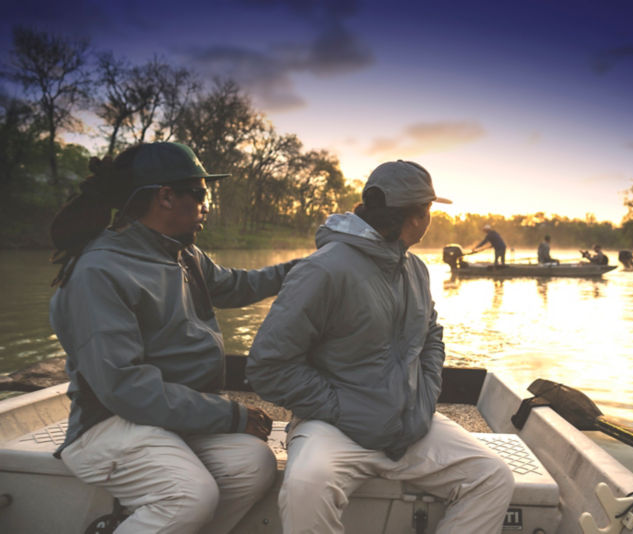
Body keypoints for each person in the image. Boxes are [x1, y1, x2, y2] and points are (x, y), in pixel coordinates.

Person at [246, 160, 515, 534]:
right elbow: (268, 366)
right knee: (307, 486)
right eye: (429, 211)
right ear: (419, 218)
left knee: (493, 477)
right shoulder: (323, 270)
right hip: (334, 425)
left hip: (410, 424)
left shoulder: (416, 270)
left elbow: (431, 337)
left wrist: (424, 398)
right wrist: (345, 409)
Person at [49, 142, 297, 534]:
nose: (207, 205)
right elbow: (126, 388)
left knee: (254, 464)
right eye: (201, 193)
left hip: (169, 421)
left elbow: (237, 285)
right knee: (190, 495)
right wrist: (230, 414)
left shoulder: (183, 255)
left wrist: (306, 268)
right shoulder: (100, 271)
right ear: (165, 196)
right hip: (110, 425)